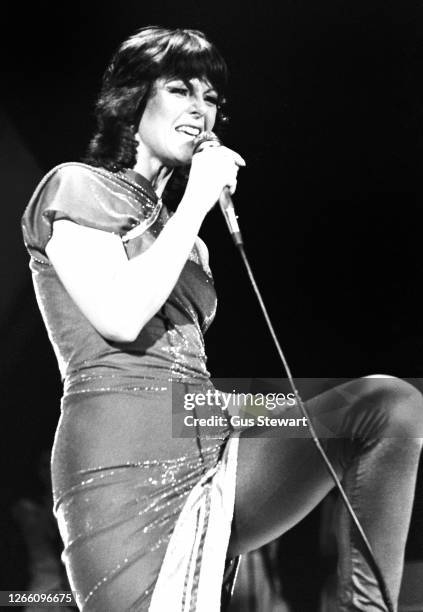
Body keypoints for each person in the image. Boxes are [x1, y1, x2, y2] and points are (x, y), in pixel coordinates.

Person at [21, 26, 423, 611]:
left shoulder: (190, 245)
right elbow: (121, 318)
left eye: (211, 99)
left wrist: (283, 409)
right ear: (132, 100)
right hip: (119, 456)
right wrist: (196, 202)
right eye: (182, 90)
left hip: (202, 424)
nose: (201, 110)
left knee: (389, 406)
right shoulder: (75, 185)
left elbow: (187, 375)